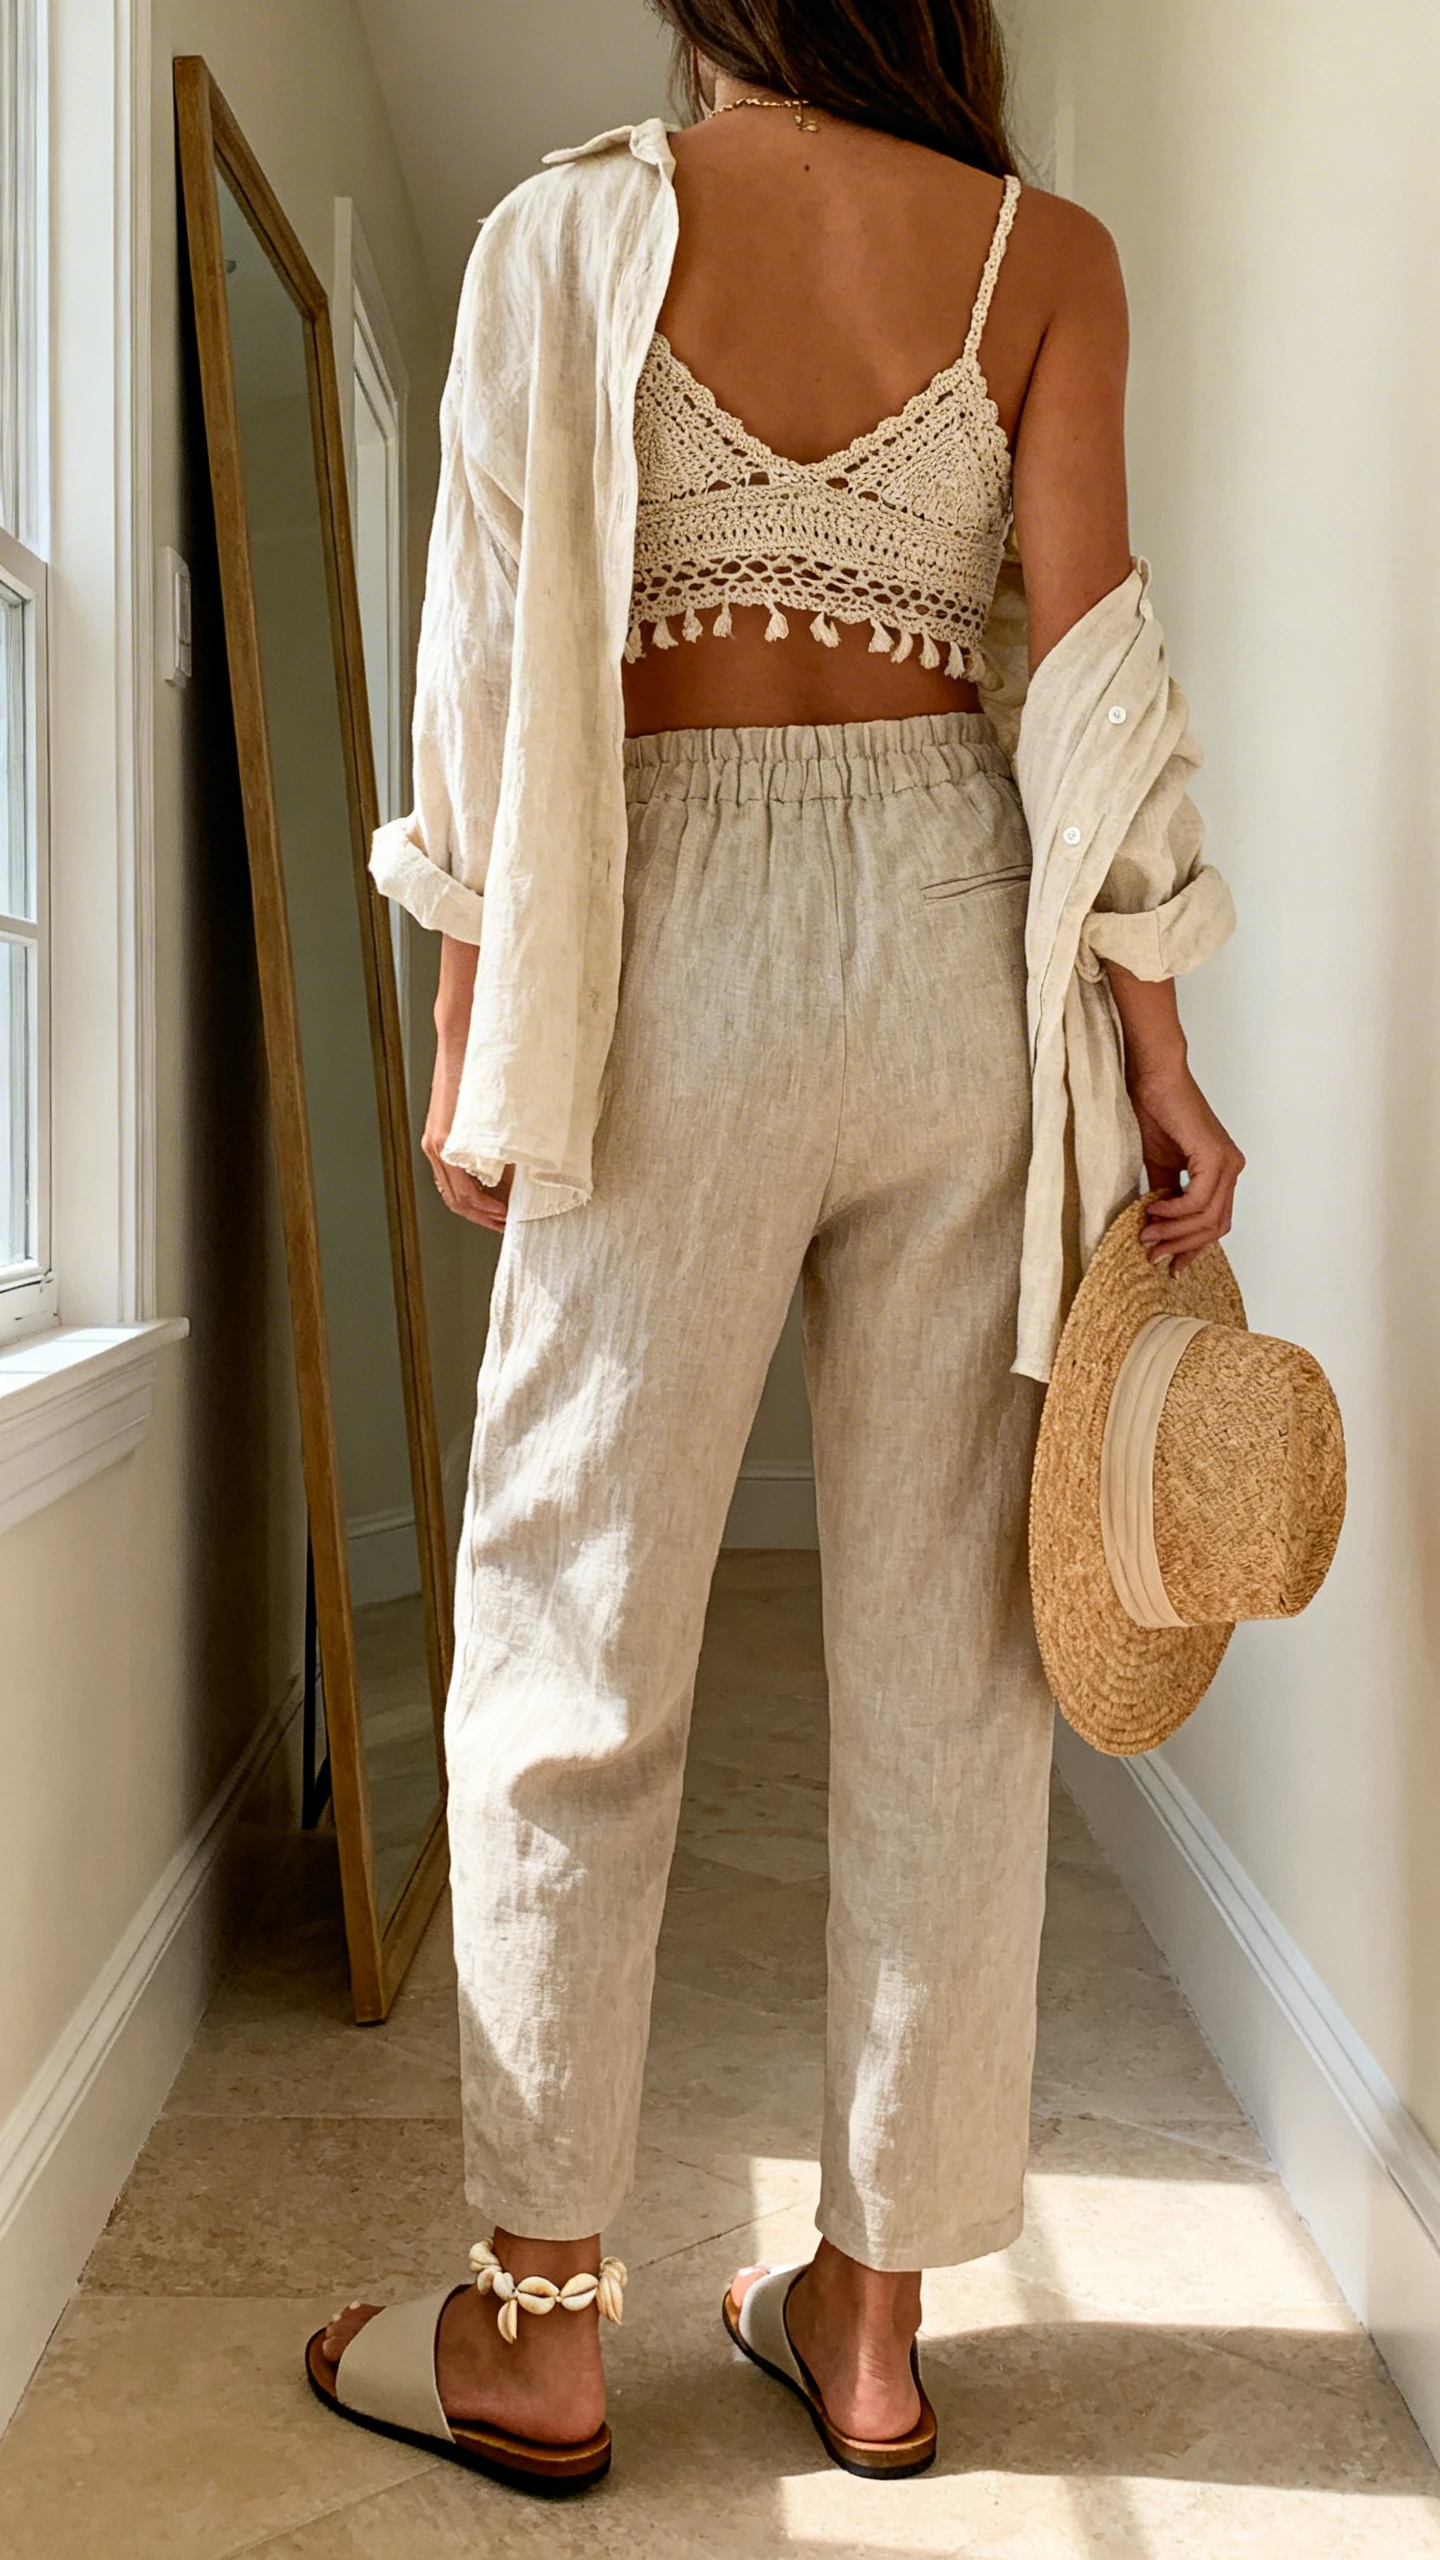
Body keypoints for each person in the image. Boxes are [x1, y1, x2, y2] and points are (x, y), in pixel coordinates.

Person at [310, 0, 1244, 2493]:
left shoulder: (569, 231)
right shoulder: (1045, 254)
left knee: (568, 1613)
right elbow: (1087, 676)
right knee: (951, 1647)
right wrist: (1154, 1054)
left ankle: (533, 2319)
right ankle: (871, 2313)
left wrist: (473, 1011)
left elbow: (496, 673)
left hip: (665, 937)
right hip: (959, 937)